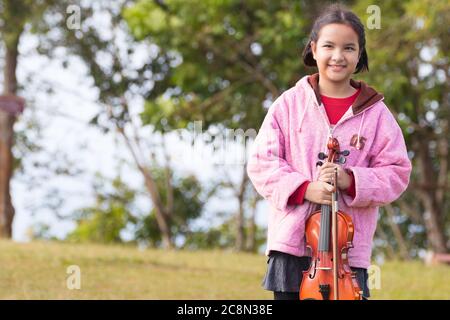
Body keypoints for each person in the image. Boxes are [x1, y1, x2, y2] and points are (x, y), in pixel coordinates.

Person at [246, 4, 412, 300]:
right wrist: (304, 189)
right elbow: (262, 162)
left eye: (349, 48)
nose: (338, 56)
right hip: (291, 247)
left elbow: (397, 172)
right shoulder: (289, 104)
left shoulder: (376, 114)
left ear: (359, 54)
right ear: (313, 49)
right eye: (328, 46)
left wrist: (352, 180)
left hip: (346, 257)